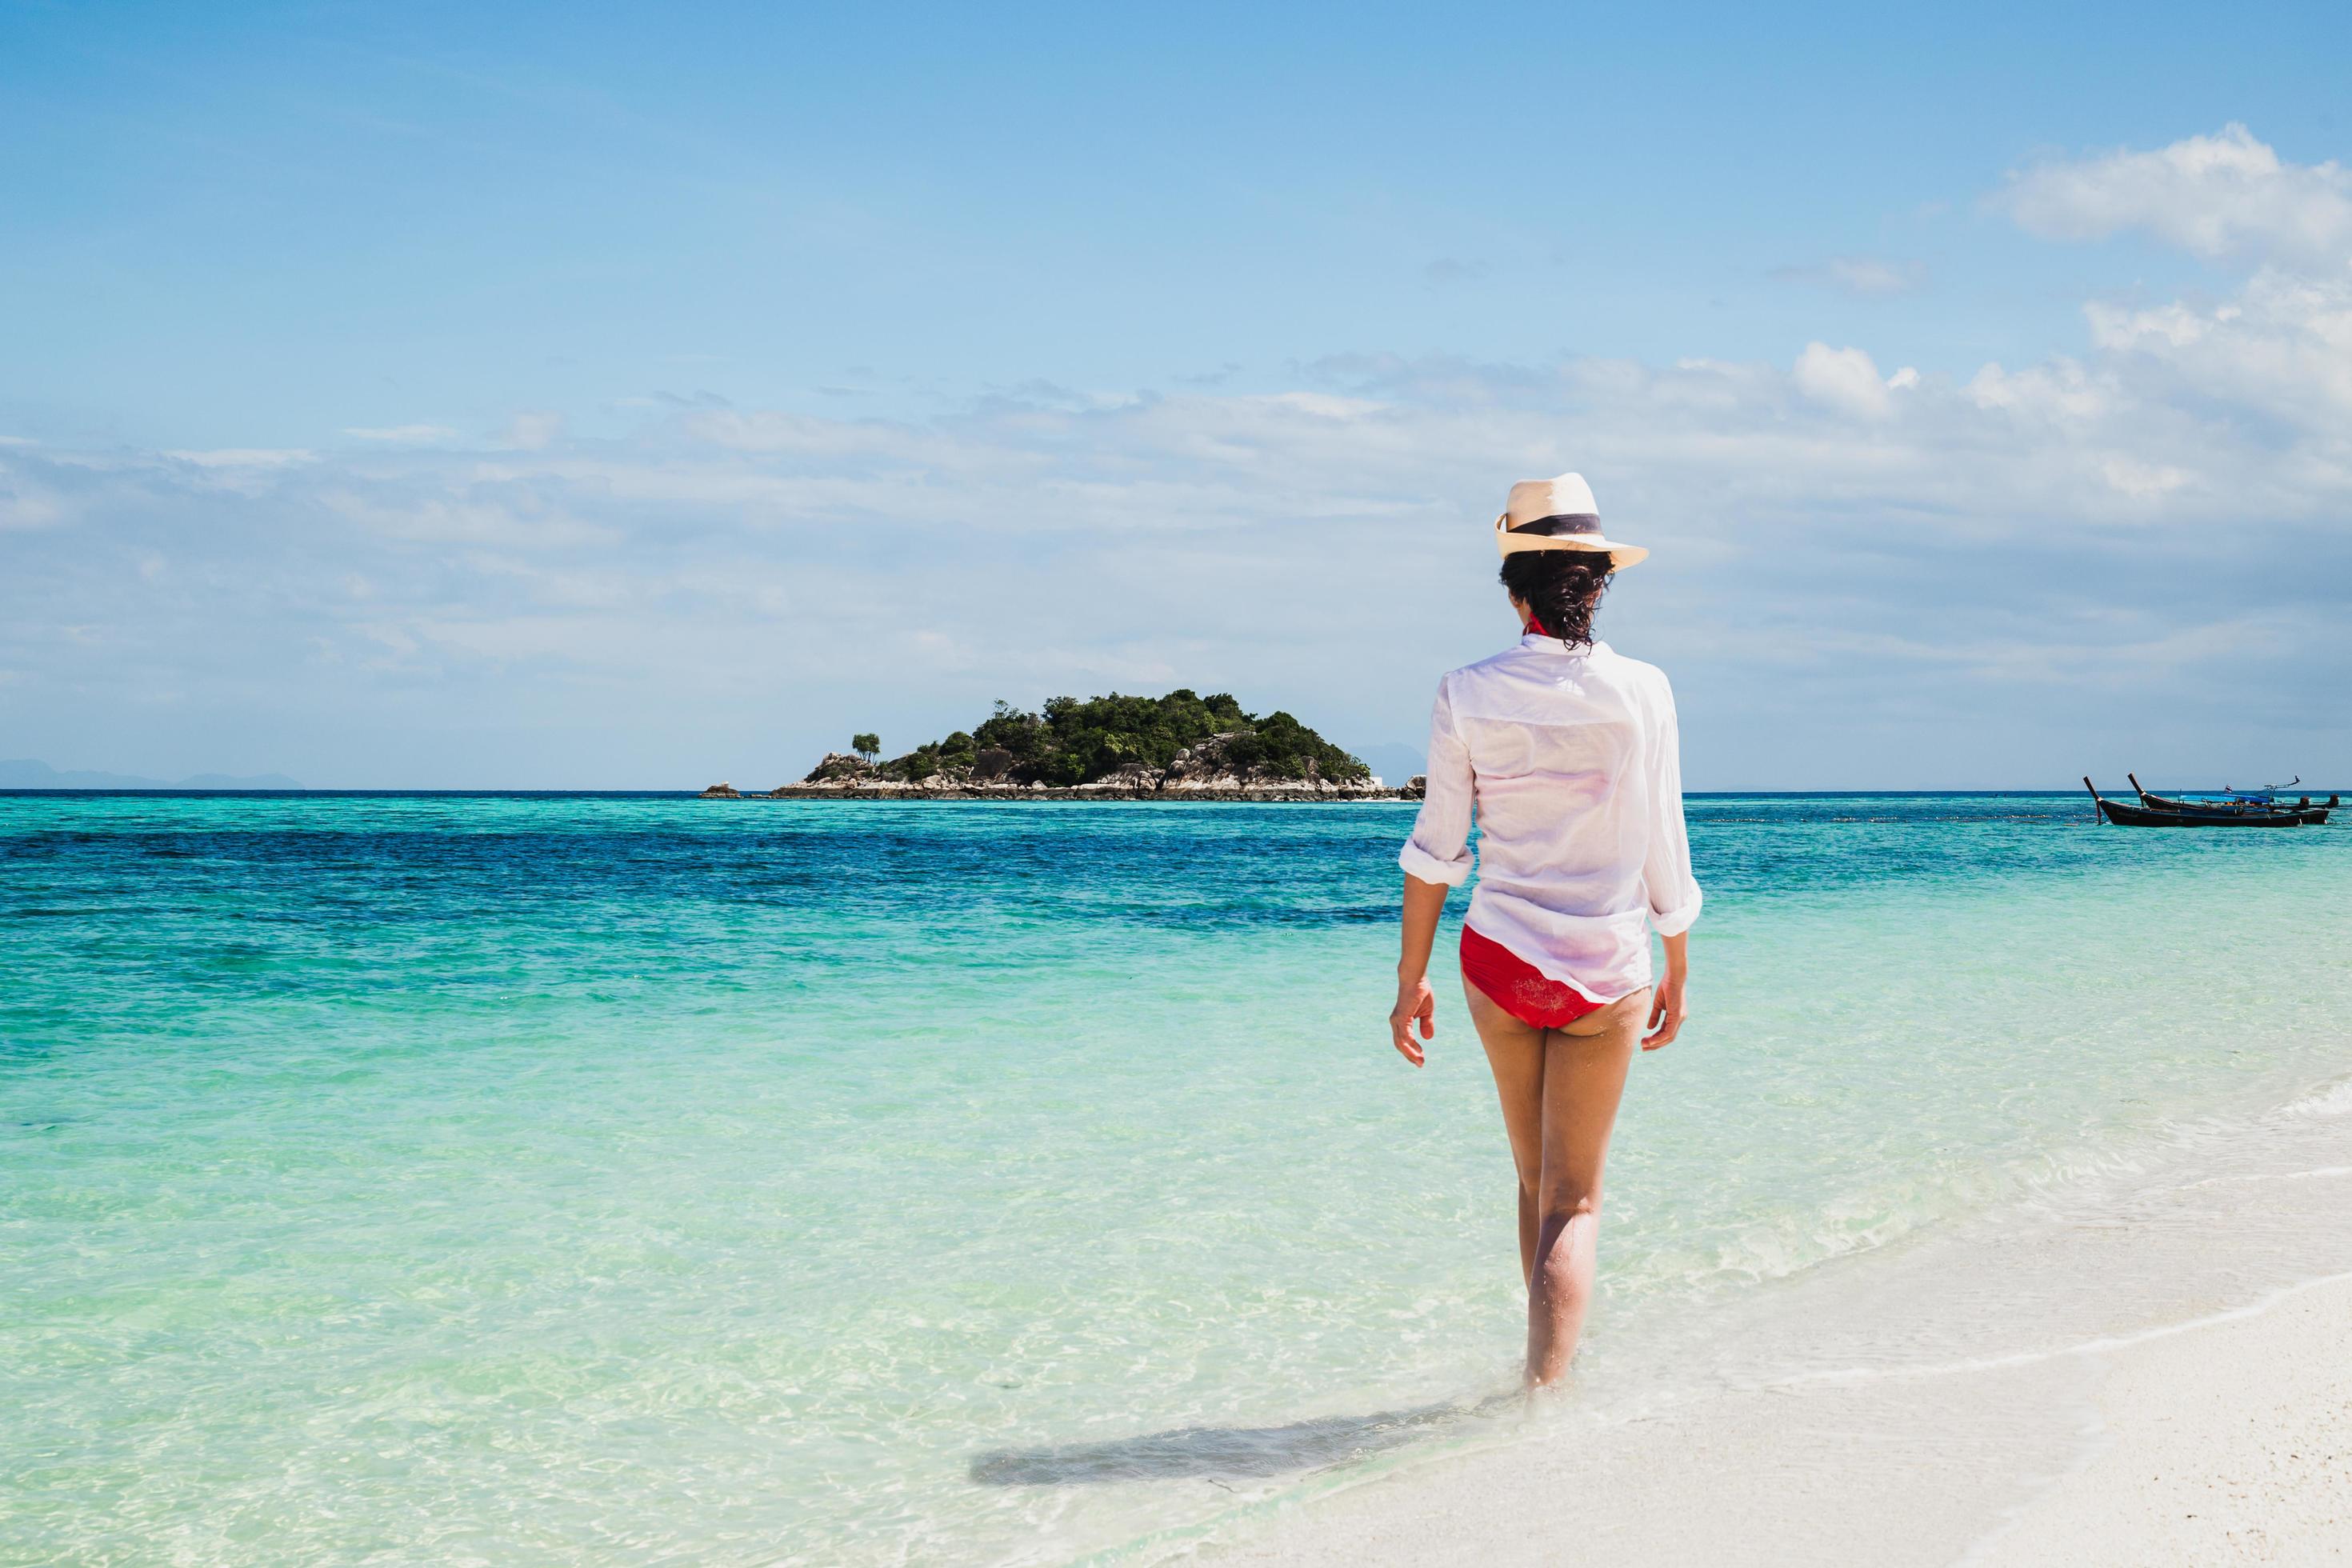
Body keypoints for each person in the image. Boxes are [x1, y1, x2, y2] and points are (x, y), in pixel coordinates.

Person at [1388, 472, 1702, 1387]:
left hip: (1499, 963)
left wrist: (1410, 978)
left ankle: (1541, 1368)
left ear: (1514, 589)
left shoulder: (1467, 690)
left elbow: (1436, 850)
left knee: (1535, 1184)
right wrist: (1678, 958)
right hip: (1606, 969)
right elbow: (1664, 843)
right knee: (1577, 1198)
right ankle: (1545, 1398)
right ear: (1596, 584)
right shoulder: (1644, 690)